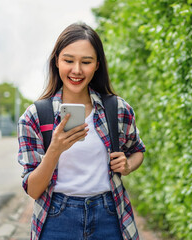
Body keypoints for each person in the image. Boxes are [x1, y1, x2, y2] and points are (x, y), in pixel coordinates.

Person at [17, 22, 146, 240]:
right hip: (56, 218)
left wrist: (127, 165)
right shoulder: (35, 116)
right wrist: (55, 150)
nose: (77, 70)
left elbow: (137, 150)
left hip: (109, 215)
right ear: (56, 61)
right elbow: (33, 190)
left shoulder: (117, 109)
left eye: (86, 62)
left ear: (97, 65)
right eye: (68, 60)